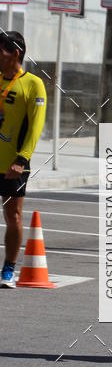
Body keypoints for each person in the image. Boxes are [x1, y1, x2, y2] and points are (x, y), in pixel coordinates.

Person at [0, 31, 47, 288]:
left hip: (13, 163)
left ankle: (9, 268)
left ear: (15, 53)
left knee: (13, 215)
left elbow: (35, 127)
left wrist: (22, 159)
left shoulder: (33, 84)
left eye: (0, 52)